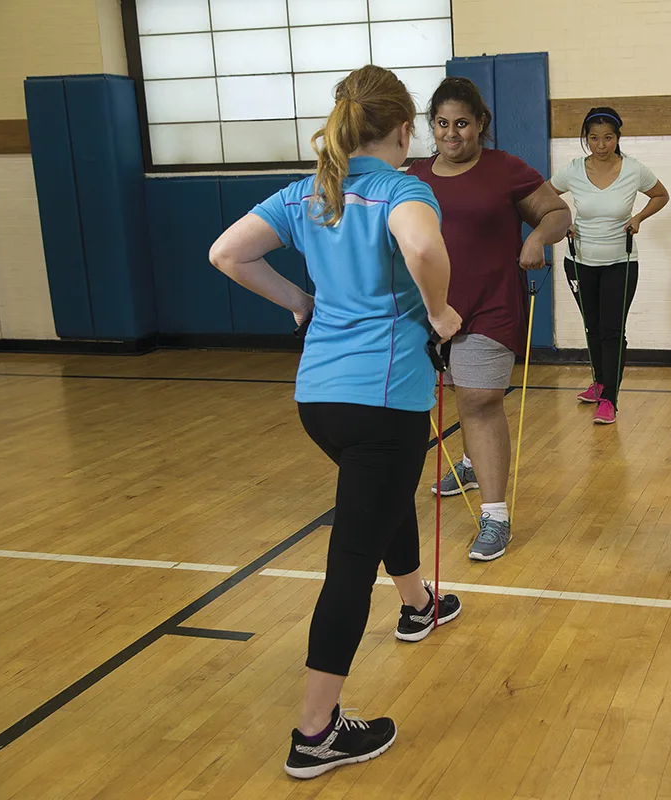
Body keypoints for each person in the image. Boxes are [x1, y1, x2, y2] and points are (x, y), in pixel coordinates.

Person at [208, 65, 463, 779]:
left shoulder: (308, 191)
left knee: (380, 497)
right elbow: (420, 248)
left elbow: (226, 254)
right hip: (383, 402)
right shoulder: (403, 189)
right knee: (353, 554)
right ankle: (316, 731)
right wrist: (440, 312)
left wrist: (298, 299)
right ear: (406, 128)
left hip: (318, 403)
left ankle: (418, 606)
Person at [407, 77, 571, 561]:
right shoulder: (413, 176)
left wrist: (536, 238)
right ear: (430, 127)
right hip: (433, 309)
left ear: (481, 124)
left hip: (492, 305)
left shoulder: (505, 169)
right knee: (461, 392)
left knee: (480, 398)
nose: (452, 133)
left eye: (462, 123)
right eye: (442, 124)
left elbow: (558, 213)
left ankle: (495, 516)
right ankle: (474, 459)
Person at [547, 107, 670, 424]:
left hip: (621, 262)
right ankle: (600, 381)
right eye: (594, 138)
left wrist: (639, 217)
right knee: (593, 327)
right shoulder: (573, 170)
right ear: (586, 139)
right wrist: (563, 221)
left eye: (608, 138)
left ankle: (609, 399)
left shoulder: (633, 170)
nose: (601, 145)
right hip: (579, 261)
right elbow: (544, 197)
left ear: (618, 138)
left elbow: (660, 195)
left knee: (612, 331)